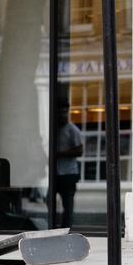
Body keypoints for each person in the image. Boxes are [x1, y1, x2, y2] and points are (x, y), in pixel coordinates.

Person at [53, 97, 84, 229]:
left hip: (69, 173)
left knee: (68, 205)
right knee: (50, 201)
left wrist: (60, 154)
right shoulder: (54, 129)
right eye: (60, 112)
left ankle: (66, 228)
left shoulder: (72, 130)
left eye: (65, 112)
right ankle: (54, 225)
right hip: (56, 173)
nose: (63, 115)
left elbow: (79, 150)